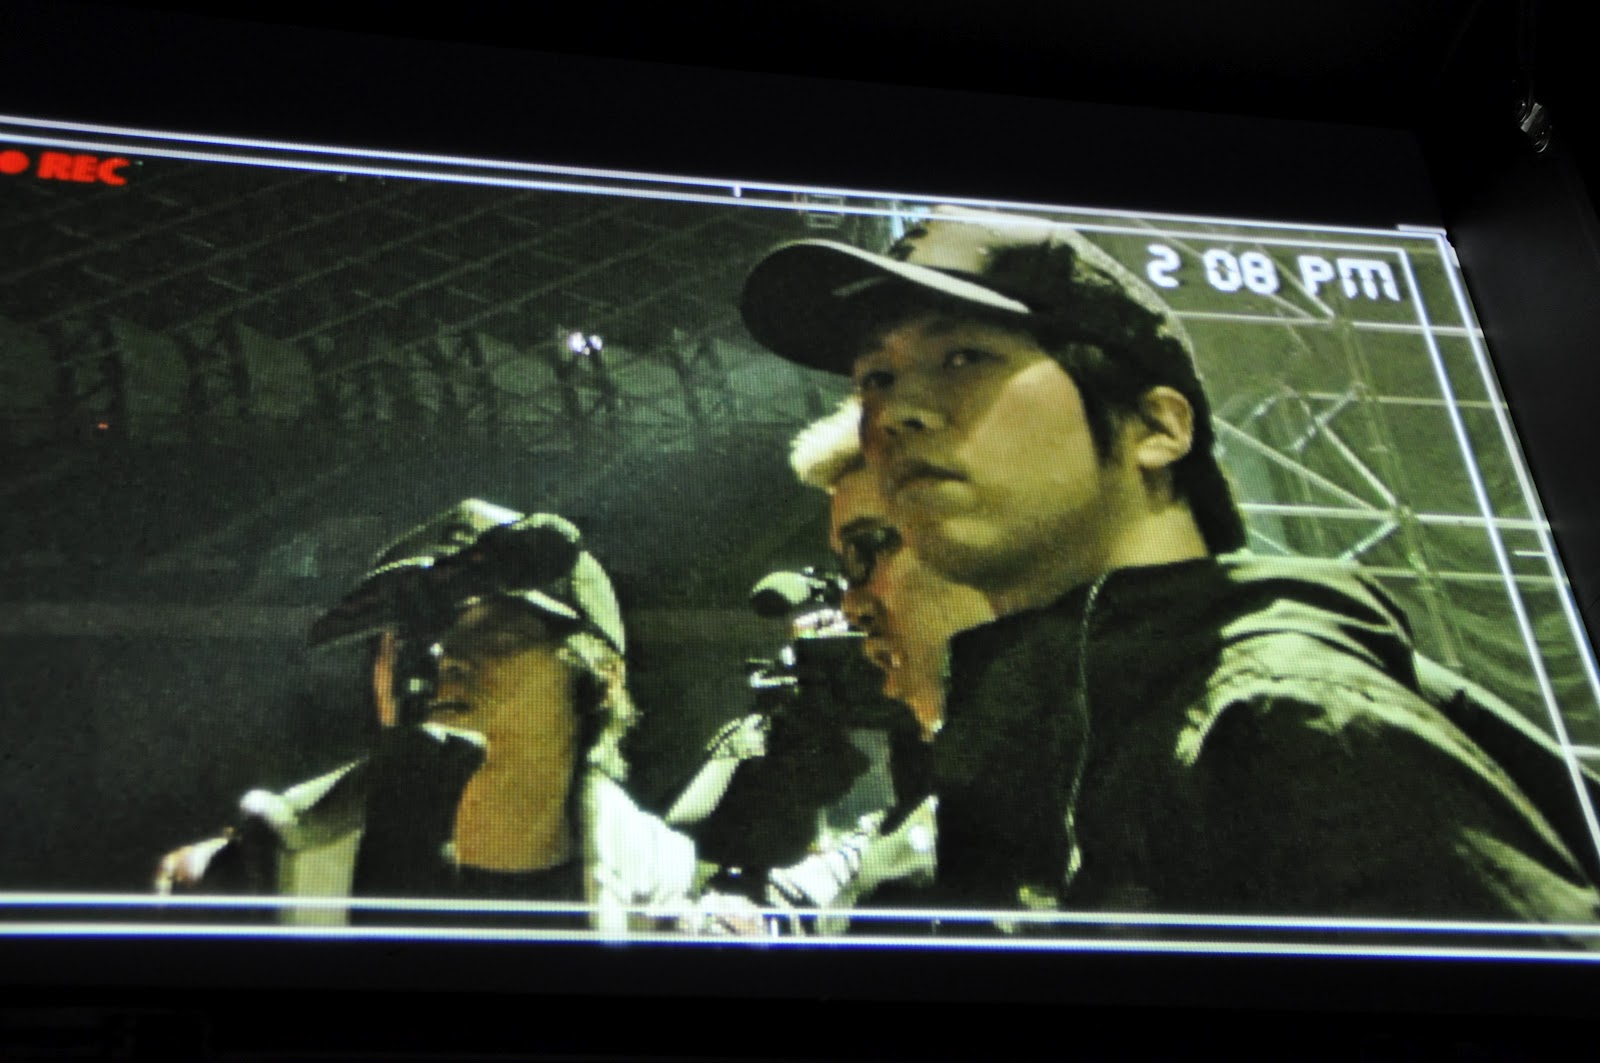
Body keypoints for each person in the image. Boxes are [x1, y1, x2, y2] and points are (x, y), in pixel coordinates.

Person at [740, 205, 1600, 938]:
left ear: (1158, 427)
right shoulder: (1055, 746)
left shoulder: (1282, 724)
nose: (894, 412)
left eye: (963, 356)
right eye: (876, 377)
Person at [157, 500, 704, 933]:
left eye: (496, 635)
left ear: (602, 680)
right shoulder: (262, 868)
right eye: (412, 637)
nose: (443, 658)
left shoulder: (670, 889)